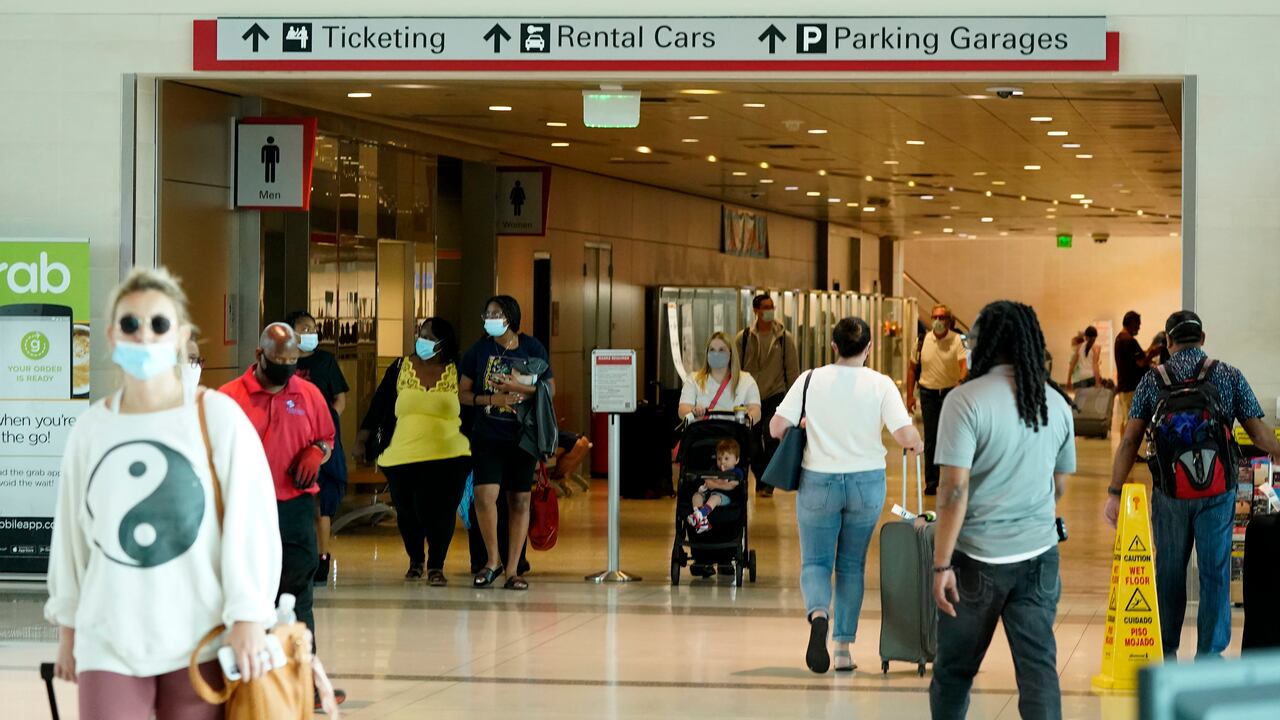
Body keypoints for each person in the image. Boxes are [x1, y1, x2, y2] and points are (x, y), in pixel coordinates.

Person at [46, 267, 281, 719]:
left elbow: (250, 523)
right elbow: (72, 539)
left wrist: (250, 615)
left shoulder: (218, 419)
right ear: (112, 337)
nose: (145, 336)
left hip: (200, 639)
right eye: (131, 325)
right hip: (108, 638)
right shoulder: (91, 429)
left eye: (159, 324)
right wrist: (69, 631)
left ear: (181, 336)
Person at [930, 301, 1075, 720]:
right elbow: (1060, 484)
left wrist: (941, 565)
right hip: (1039, 558)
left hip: (976, 561)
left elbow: (954, 491)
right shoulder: (1054, 403)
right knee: (1038, 672)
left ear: (984, 343)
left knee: (955, 672)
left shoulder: (964, 401)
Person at [1105, 310, 1280, 659]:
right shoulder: (1228, 375)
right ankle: (1209, 655)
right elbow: (1260, 433)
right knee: (1214, 571)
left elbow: (1129, 442)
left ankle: (1166, 649)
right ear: (1202, 338)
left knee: (1169, 570)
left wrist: (1114, 492)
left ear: (1168, 342)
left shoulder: (1153, 380)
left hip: (1170, 492)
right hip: (1218, 491)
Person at [770, 317, 924, 675]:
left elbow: (777, 427)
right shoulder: (881, 384)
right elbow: (903, 435)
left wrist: (807, 424)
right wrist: (915, 440)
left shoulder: (810, 379)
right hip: (866, 483)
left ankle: (819, 614)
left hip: (818, 481)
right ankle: (842, 650)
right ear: (869, 349)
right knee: (851, 565)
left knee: (815, 563)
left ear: (834, 346)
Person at [220, 322, 345, 710]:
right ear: (259, 356)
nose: (287, 367)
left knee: (297, 597)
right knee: (247, 598)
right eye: (279, 361)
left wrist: (316, 452)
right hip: (245, 512)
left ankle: (303, 681)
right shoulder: (229, 399)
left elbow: (326, 438)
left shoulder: (307, 394)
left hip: (294, 509)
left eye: (293, 361)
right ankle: (241, 680)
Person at [356, 318, 470, 585]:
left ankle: (436, 566)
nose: (422, 340)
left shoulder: (457, 370)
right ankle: (416, 558)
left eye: (429, 336)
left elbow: (470, 409)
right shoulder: (400, 367)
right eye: (421, 334)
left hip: (449, 455)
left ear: (443, 343)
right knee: (409, 510)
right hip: (402, 455)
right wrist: (362, 439)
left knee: (441, 511)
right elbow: (380, 404)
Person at [458, 295, 553, 591]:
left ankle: (513, 569)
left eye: (496, 313)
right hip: (487, 434)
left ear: (510, 317)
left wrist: (516, 387)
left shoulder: (532, 347)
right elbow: (462, 393)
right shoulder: (479, 350)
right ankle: (492, 561)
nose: (490, 318)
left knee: (519, 500)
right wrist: (492, 399)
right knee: (485, 496)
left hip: (522, 436)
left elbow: (548, 388)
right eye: (487, 313)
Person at [287, 310, 350, 585]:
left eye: (313, 328)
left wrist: (327, 425)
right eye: (304, 328)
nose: (311, 333)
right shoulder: (283, 360)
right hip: (290, 442)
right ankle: (298, 556)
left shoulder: (325, 361)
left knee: (321, 504)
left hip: (322, 443)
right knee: (297, 502)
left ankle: (322, 558)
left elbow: (339, 400)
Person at [736, 293, 799, 497]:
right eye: (765, 307)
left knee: (771, 438)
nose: (770, 310)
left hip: (775, 394)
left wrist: (795, 401)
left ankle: (767, 484)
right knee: (751, 443)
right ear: (756, 310)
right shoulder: (743, 338)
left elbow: (792, 371)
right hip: (749, 397)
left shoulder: (784, 338)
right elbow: (734, 370)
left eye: (772, 306)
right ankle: (762, 476)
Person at [906, 304, 968, 495]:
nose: (938, 321)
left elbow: (964, 365)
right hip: (928, 394)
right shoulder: (922, 340)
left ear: (949, 321)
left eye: (942, 318)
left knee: (951, 438)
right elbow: (912, 369)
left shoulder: (956, 340)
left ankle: (952, 481)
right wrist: (910, 395)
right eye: (935, 317)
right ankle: (931, 482)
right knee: (931, 438)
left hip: (950, 393)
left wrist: (960, 383)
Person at [677, 332, 762, 425]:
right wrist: (693, 412)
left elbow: (756, 410)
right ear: (707, 353)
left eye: (721, 350)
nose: (716, 353)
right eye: (712, 350)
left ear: (731, 353)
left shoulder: (746, 380)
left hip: (734, 436)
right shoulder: (694, 379)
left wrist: (748, 418)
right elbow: (682, 409)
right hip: (702, 435)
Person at [686, 439, 744, 533]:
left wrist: (715, 484)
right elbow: (707, 479)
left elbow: (731, 486)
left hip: (726, 496)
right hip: (709, 493)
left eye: (726, 458)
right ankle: (702, 521)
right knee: (696, 496)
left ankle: (700, 515)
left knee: (715, 497)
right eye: (719, 459)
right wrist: (707, 485)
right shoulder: (714, 469)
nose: (722, 462)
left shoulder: (737, 472)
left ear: (736, 460)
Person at [1114, 311, 1160, 426]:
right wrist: (1152, 354)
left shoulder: (1120, 338)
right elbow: (1141, 363)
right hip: (1130, 387)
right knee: (1130, 421)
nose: (1139, 327)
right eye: (1138, 324)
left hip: (1123, 386)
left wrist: (1148, 351)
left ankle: (1123, 443)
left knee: (1125, 419)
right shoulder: (1129, 341)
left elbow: (1135, 357)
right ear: (1131, 323)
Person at [1067, 326, 1103, 390]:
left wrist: (1068, 379)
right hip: (1092, 376)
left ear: (1085, 337)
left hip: (1082, 376)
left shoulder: (1079, 347)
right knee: (1092, 399)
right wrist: (1098, 381)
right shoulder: (1097, 348)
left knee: (1082, 398)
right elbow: (1095, 365)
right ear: (1095, 337)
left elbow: (1072, 364)